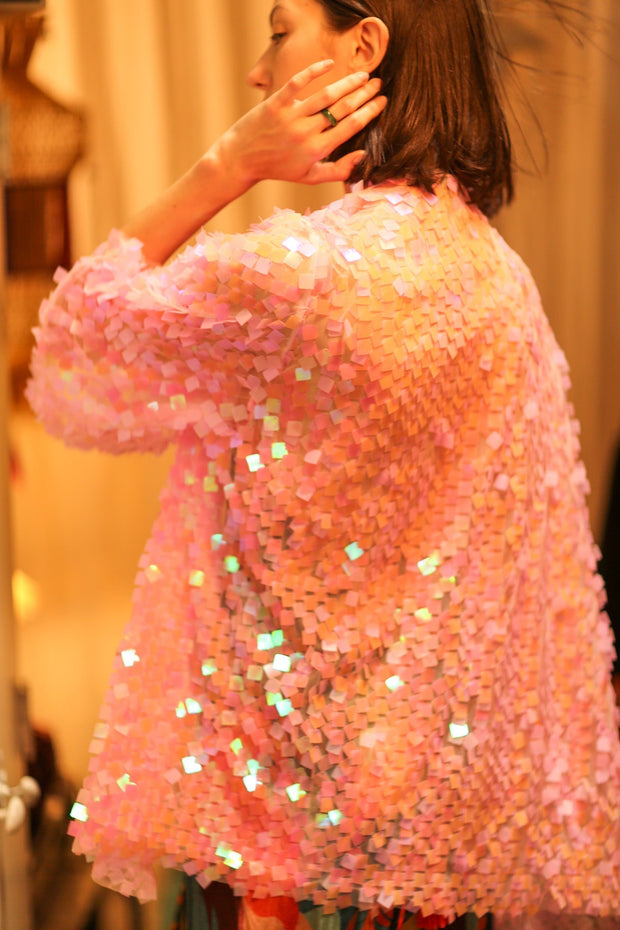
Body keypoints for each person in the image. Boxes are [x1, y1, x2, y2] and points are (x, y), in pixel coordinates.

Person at [27, 0, 620, 928]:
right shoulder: (502, 283)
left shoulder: (304, 274)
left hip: (283, 838)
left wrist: (229, 162)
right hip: (439, 842)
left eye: (279, 30)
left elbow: (73, 344)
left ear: (365, 45)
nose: (260, 72)